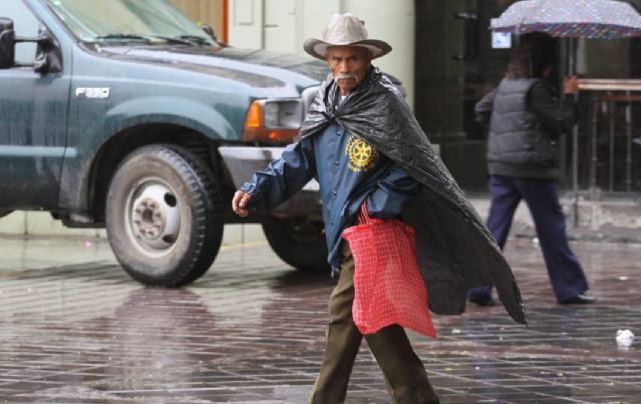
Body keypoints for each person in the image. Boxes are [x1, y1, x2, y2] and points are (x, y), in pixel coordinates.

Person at [233, 13, 526, 404]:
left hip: (371, 229)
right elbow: (299, 157)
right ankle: (417, 396)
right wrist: (257, 189)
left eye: (352, 59)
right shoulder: (326, 100)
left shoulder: (385, 101)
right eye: (336, 59)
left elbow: (412, 165)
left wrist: (375, 205)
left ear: (367, 58)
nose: (344, 68)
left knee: (345, 314)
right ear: (327, 60)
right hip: (343, 228)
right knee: (374, 319)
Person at [468, 34, 596, 306]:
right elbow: (561, 122)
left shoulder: (505, 85)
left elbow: (481, 110)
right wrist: (571, 95)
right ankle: (569, 287)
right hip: (532, 169)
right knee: (552, 229)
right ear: (545, 66)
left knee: (495, 228)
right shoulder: (535, 89)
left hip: (502, 167)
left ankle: (478, 287)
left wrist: (502, 137)